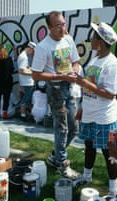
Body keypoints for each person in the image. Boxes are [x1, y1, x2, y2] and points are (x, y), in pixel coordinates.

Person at [74, 22, 117, 200]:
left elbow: (110, 94)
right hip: (89, 113)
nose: (90, 39)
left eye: (93, 37)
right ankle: (87, 177)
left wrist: (86, 83)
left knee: (110, 152)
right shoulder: (95, 59)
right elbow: (89, 90)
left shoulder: (113, 64)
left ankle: (113, 190)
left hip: (106, 117)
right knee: (88, 146)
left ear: (100, 42)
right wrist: (81, 108)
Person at [31, 11, 80, 179]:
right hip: (56, 90)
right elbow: (36, 75)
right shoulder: (43, 46)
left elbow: (75, 61)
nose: (62, 28)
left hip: (70, 87)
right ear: (50, 27)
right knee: (62, 128)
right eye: (58, 25)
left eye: (64, 24)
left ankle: (55, 155)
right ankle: (62, 164)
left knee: (74, 128)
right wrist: (61, 76)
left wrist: (74, 70)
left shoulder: (69, 39)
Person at [0, 44, 14, 119]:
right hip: (7, 82)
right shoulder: (9, 59)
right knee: (6, 98)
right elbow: (12, 69)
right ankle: (5, 114)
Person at [17, 41, 36, 120]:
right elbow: (21, 71)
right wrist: (32, 73)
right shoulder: (24, 57)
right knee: (26, 98)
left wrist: (29, 69)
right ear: (30, 48)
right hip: (27, 82)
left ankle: (24, 114)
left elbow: (24, 69)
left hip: (26, 81)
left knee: (27, 98)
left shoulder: (23, 56)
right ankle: (23, 115)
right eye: (33, 50)